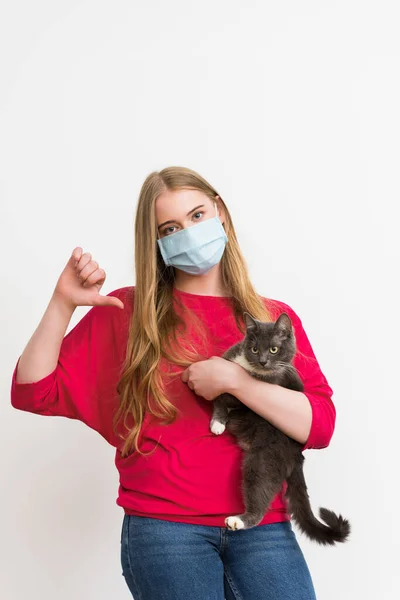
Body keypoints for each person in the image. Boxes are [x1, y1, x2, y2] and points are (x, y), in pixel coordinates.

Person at [11, 165, 336, 600]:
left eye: (198, 215)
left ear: (220, 212)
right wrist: (62, 302)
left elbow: (319, 425)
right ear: (157, 243)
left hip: (262, 526)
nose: (189, 232)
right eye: (170, 227)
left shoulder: (271, 318)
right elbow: (32, 391)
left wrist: (237, 381)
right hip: (166, 531)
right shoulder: (128, 312)